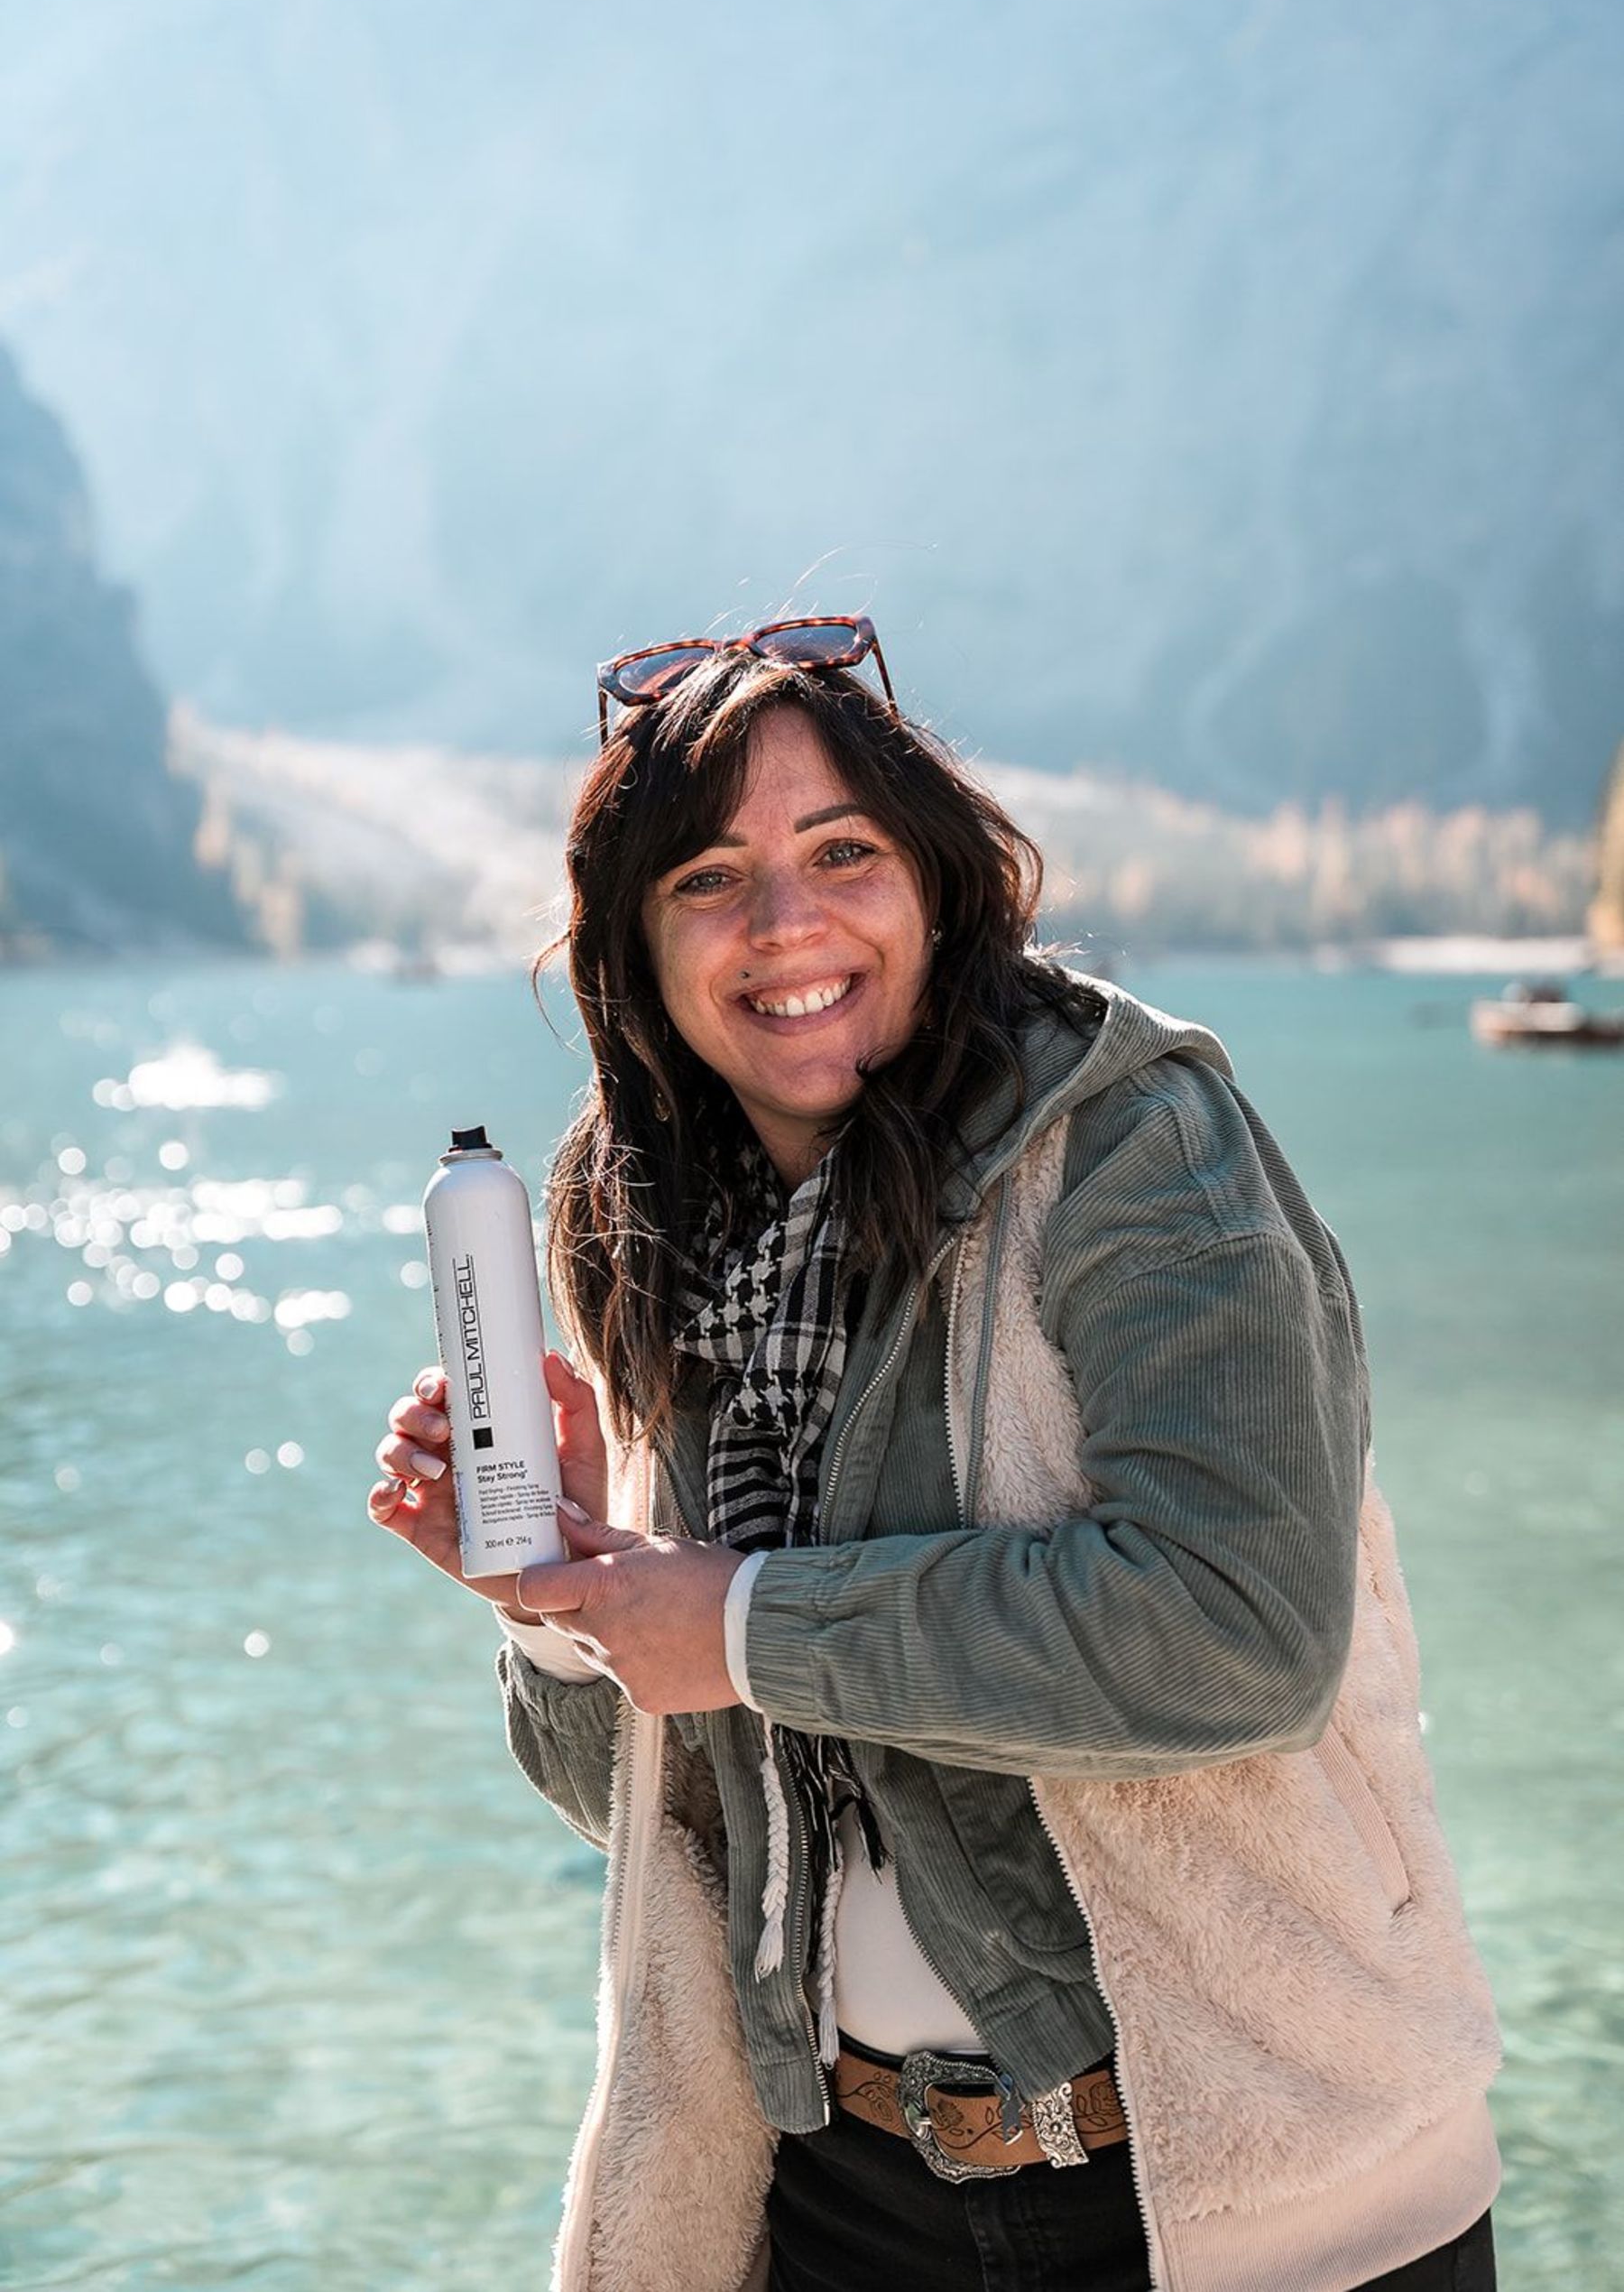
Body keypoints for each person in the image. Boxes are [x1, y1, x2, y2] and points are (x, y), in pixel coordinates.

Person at [370, 619, 1503, 2292]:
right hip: (838, 2196)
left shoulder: (1134, 1143)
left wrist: (745, 1624)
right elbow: (664, 1815)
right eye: (708, 878)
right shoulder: (650, 1215)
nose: (787, 924)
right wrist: (561, 1601)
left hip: (1240, 2195)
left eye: (844, 853)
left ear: (937, 883)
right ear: (637, 946)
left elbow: (1241, 1634)